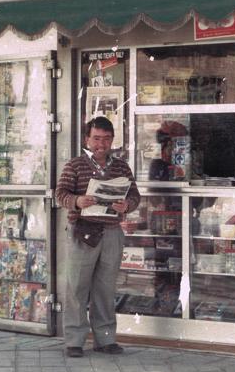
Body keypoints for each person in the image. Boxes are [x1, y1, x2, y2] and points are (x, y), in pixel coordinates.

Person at [56, 117, 140, 358]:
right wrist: (77, 201)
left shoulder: (122, 167)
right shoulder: (75, 165)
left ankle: (105, 340)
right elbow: (60, 193)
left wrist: (127, 205)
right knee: (76, 287)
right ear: (87, 139)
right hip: (82, 231)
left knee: (105, 288)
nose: (101, 144)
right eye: (96, 138)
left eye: (106, 139)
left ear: (112, 140)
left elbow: (135, 195)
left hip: (112, 233)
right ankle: (74, 341)